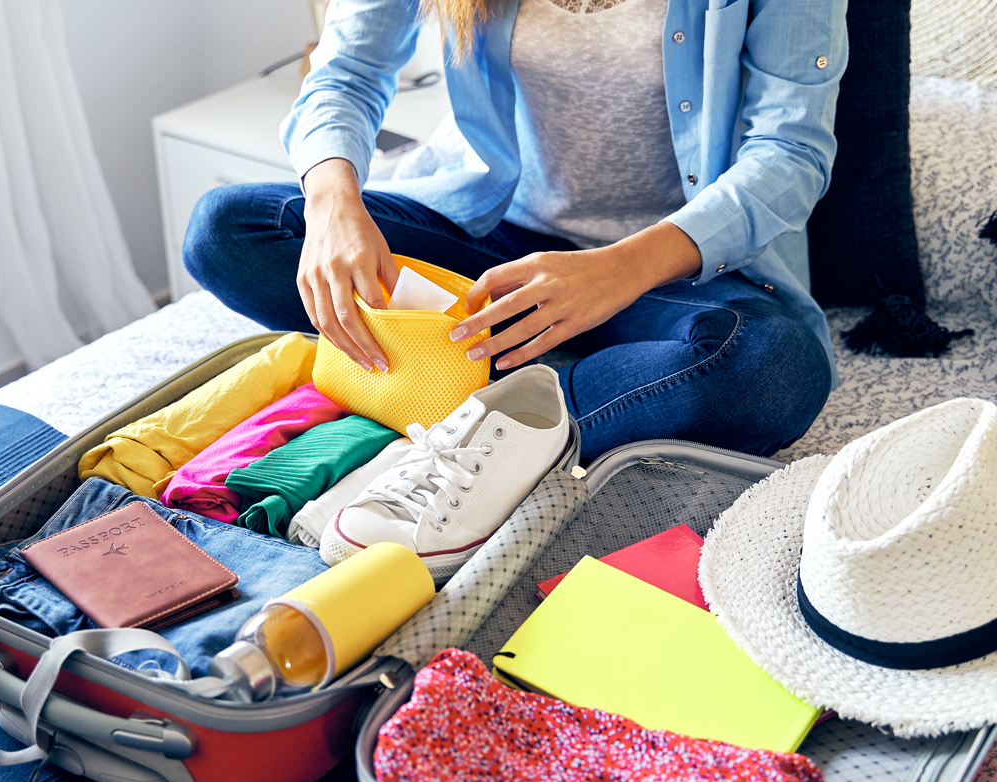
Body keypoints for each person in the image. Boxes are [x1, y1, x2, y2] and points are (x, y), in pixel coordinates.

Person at [185, 0, 847, 460]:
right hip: (491, 242)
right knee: (228, 230)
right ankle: (554, 397)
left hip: (663, 274)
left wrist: (617, 271)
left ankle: (445, 389)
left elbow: (789, 154)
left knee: (771, 369)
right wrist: (332, 205)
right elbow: (347, 73)